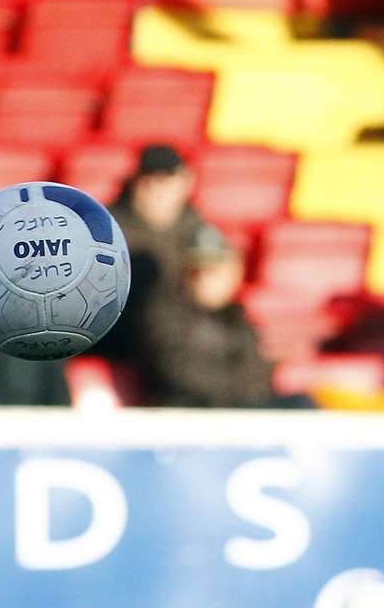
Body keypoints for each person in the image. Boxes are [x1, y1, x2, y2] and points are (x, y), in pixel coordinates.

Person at [135, 226, 286, 409]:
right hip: (189, 414)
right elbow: (178, 373)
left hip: (237, 409)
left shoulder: (236, 315)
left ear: (232, 273)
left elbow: (258, 372)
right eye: (196, 269)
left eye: (213, 269)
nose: (204, 278)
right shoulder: (162, 312)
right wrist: (241, 389)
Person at [98, 144, 204, 358]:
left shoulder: (196, 229)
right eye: (149, 182)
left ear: (185, 183)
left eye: (165, 182)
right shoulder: (107, 230)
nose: (157, 192)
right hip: (128, 341)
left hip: (185, 336)